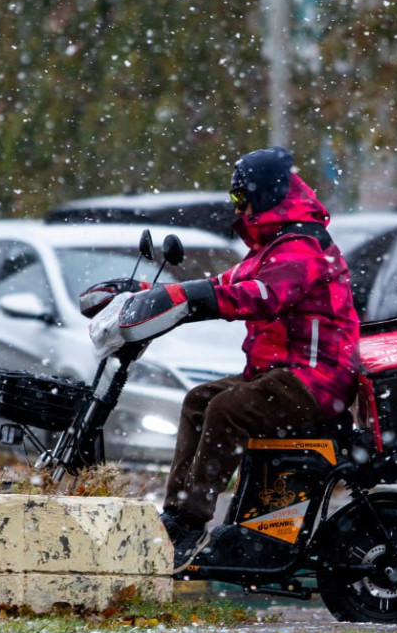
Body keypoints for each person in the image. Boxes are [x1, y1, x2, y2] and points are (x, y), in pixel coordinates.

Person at [95, 147, 361, 572]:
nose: (238, 207)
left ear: (269, 194)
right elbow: (223, 283)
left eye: (242, 198)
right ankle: (179, 515)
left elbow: (265, 295)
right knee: (200, 400)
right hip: (284, 374)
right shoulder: (272, 246)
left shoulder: (302, 246)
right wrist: (148, 294)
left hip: (318, 379)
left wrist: (194, 299)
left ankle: (193, 521)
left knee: (228, 410)